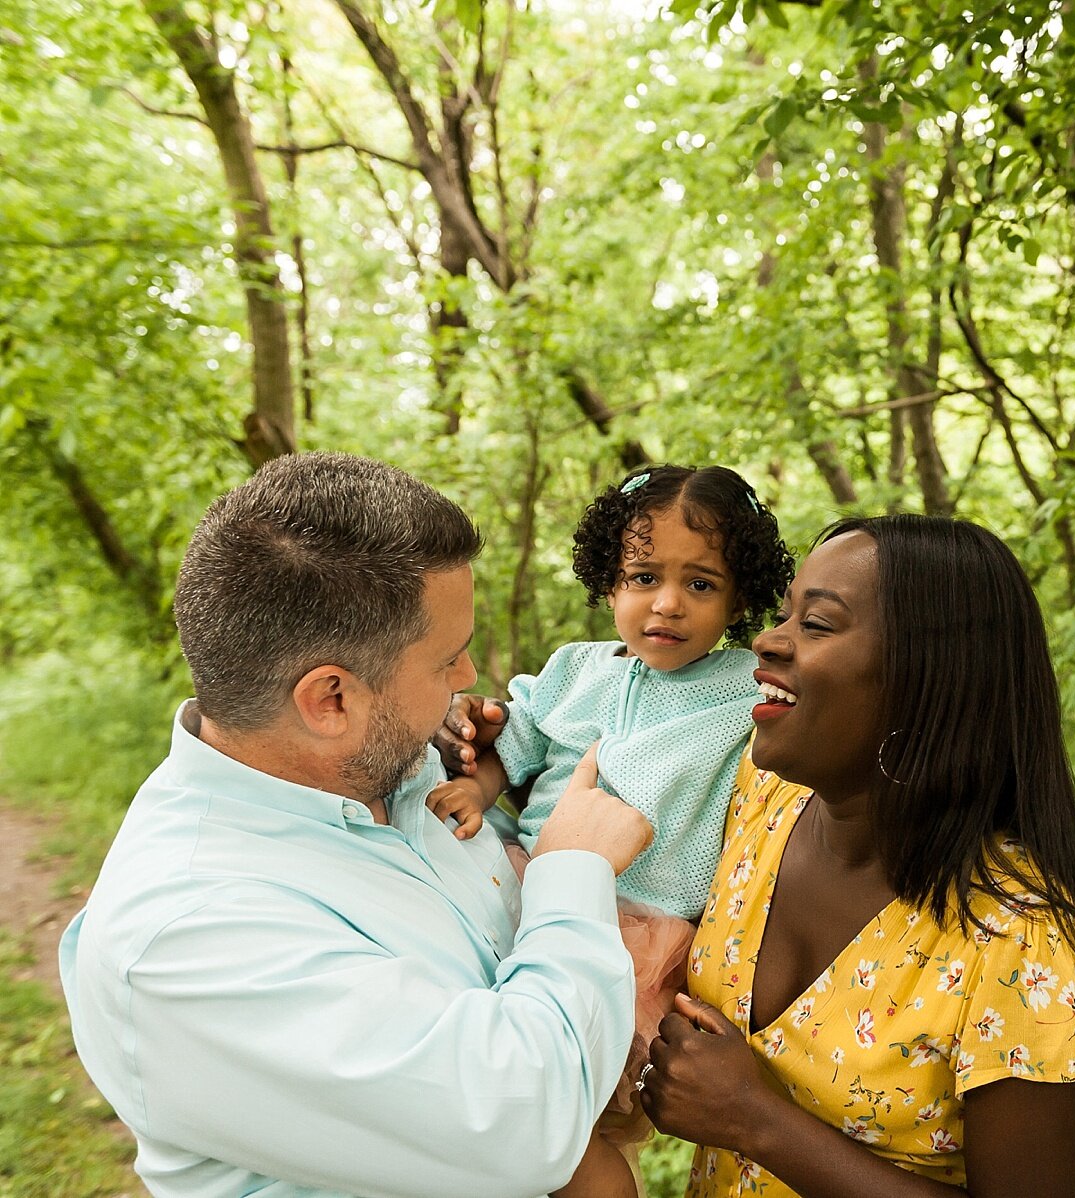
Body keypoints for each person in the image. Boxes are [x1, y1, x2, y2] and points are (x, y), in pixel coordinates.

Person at [59, 452, 654, 1198]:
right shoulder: (189, 938)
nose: (469, 676)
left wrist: (513, 766)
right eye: (446, 659)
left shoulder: (386, 767)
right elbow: (524, 1120)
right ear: (331, 699)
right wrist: (574, 873)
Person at [638, 515, 1075, 1198]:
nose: (768, 642)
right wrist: (493, 744)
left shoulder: (1019, 938)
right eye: (782, 615)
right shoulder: (761, 797)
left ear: (927, 678)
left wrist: (756, 1121)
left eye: (817, 624)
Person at [427, 463, 792, 1185]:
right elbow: (517, 744)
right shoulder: (574, 672)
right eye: (644, 576)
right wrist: (478, 784)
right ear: (608, 579)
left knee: (579, 1127)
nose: (667, 604)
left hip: (643, 936)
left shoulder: (742, 687)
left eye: (700, 584)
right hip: (532, 893)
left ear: (739, 596)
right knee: (507, 1091)